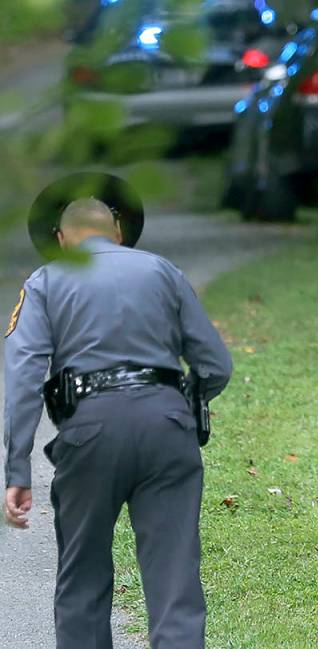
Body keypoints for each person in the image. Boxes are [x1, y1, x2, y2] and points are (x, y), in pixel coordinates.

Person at [3, 173, 233, 649]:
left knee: (83, 579)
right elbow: (215, 364)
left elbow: (24, 376)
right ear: (120, 233)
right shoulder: (162, 271)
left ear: (62, 240)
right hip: (168, 429)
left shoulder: (45, 280)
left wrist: (17, 469)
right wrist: (181, 406)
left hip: (89, 432)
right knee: (174, 583)